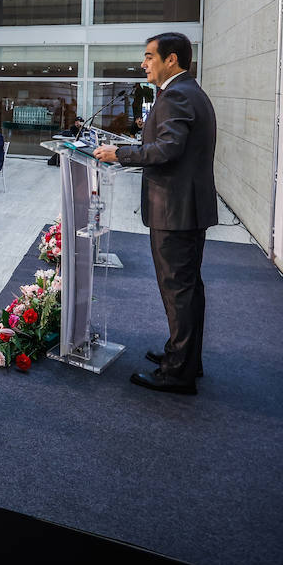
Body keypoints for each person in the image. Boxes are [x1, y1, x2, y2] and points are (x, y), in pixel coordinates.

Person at [94, 32, 217, 396]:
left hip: (175, 211)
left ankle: (177, 372)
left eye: (149, 57)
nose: (143, 63)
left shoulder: (177, 94)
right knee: (188, 289)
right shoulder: (189, 91)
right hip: (185, 208)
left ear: (172, 60)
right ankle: (184, 358)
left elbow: (168, 150)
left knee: (179, 290)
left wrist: (122, 154)